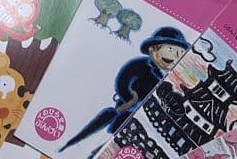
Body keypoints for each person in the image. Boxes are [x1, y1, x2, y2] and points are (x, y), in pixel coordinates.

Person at [59, 26, 190, 152]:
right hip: (124, 110)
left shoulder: (170, 80)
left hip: (141, 122)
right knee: (104, 131)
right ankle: (72, 146)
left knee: (115, 144)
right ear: (153, 49)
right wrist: (129, 96)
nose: (176, 56)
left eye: (181, 52)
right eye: (171, 49)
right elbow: (123, 79)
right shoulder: (140, 65)